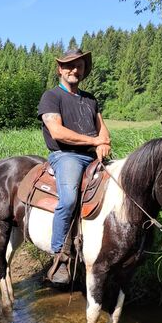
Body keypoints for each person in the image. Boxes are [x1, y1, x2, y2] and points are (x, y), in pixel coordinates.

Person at [37, 48, 111, 284]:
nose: (73, 70)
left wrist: (104, 144)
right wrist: (94, 141)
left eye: (78, 66)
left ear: (83, 70)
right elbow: (57, 132)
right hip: (66, 156)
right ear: (60, 69)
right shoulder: (51, 97)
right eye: (68, 65)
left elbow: (103, 129)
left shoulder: (90, 99)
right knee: (68, 199)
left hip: (92, 156)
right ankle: (60, 257)